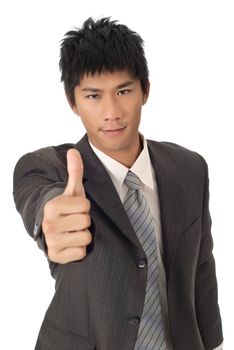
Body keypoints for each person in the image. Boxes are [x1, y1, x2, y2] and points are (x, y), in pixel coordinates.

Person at [13, 17, 223, 350]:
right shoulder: (51, 168)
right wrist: (50, 216)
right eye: (93, 96)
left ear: (145, 91)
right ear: (73, 102)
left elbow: (201, 268)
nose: (111, 112)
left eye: (123, 91)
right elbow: (38, 198)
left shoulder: (190, 168)